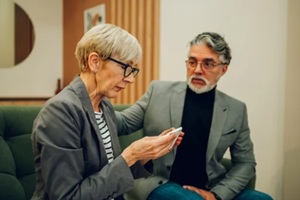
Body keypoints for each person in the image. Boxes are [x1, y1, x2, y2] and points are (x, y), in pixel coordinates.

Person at [31, 24, 183, 200]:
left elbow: (108, 173)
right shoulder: (60, 112)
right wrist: (130, 155)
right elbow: (68, 196)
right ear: (95, 61)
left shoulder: (105, 107)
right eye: (126, 67)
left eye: (134, 70)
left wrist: (143, 155)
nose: (131, 79)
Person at [116, 32, 273, 200]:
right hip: (159, 182)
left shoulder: (236, 110)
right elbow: (123, 123)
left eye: (208, 64)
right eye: (192, 62)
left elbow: (245, 163)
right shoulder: (158, 92)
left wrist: (216, 195)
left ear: (224, 69)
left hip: (211, 187)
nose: (197, 70)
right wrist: (96, 100)